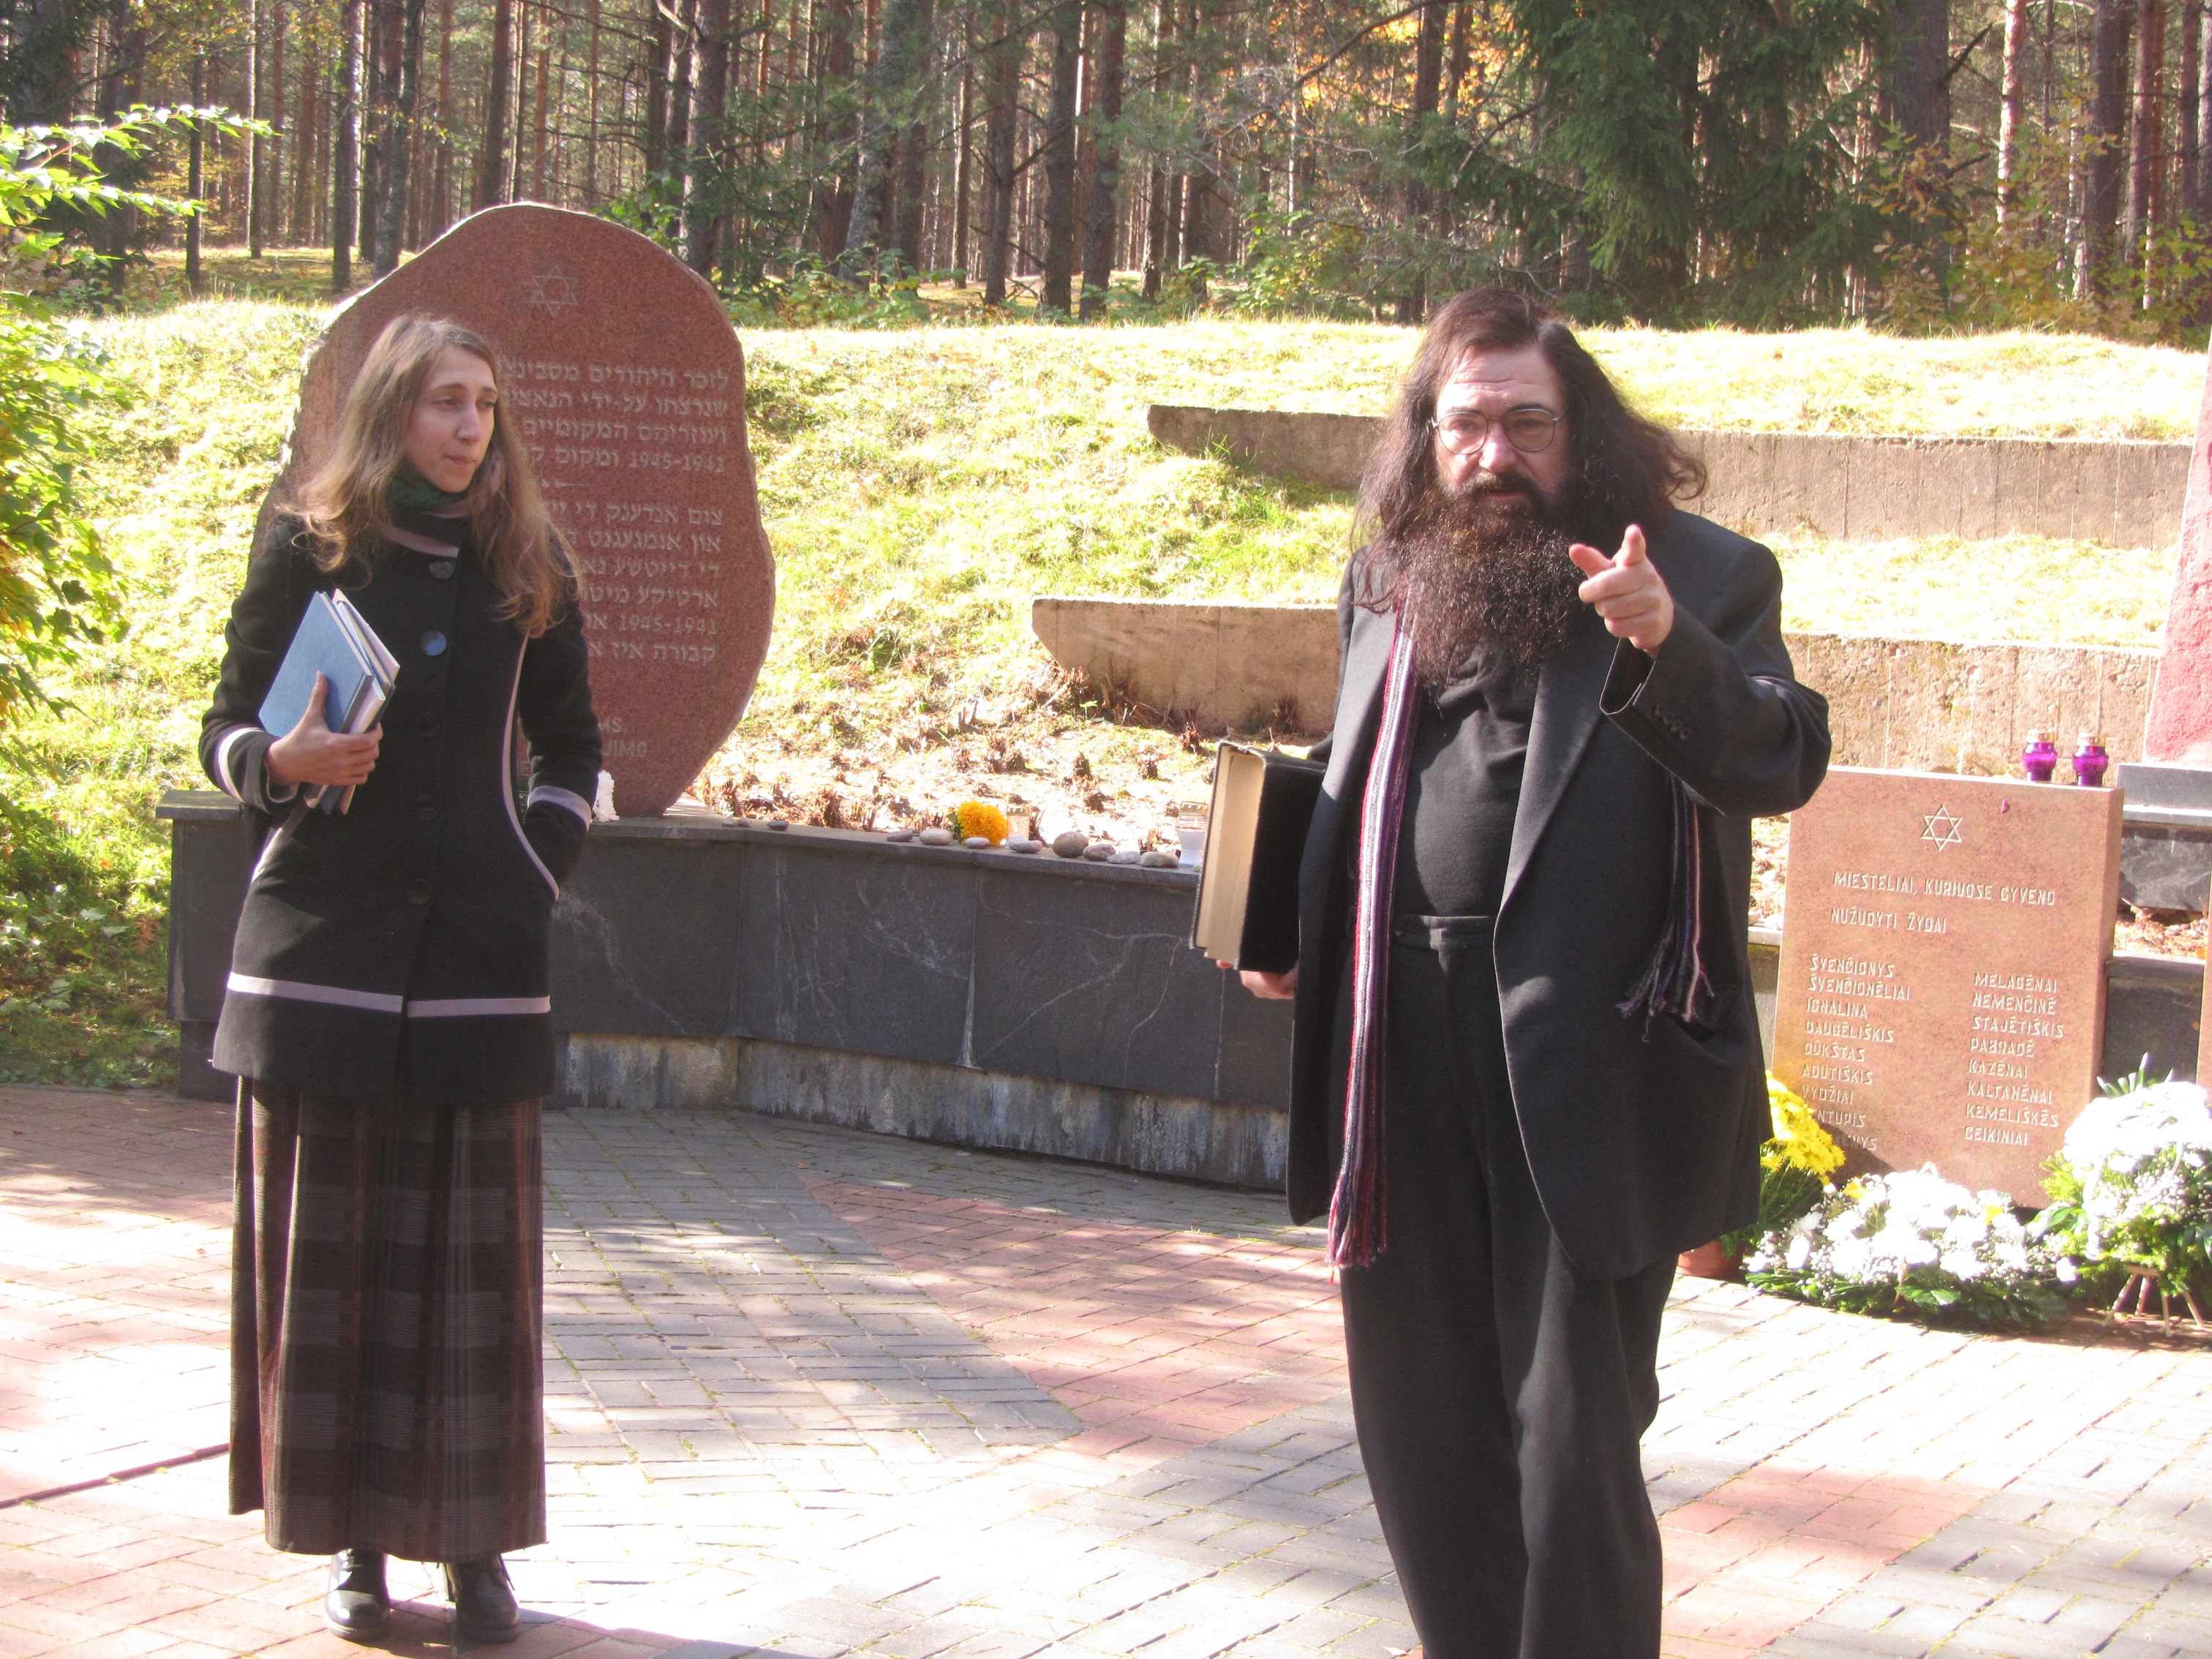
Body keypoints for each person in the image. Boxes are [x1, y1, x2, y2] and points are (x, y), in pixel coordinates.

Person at [1230, 289, 1829, 1658]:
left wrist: (1662, 643)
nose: (1494, 454)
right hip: (1400, 1061)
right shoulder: (1392, 573)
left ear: (1583, 433)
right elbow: (1357, 779)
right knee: (1421, 1430)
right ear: (1424, 439)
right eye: (1466, 425)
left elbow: (1782, 758)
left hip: (1589, 1076)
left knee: (1570, 1451)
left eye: (1526, 423)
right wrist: (1295, 933)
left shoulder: (1707, 575)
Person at [201, 312, 601, 1647]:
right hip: (323, 961)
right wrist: (282, 768)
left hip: (483, 970)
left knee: (468, 1286)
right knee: (349, 1274)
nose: (470, 425)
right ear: (392, 412)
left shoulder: (528, 566)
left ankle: (476, 1554)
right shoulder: (313, 550)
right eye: (444, 401)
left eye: (486, 402)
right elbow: (224, 730)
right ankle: (360, 1547)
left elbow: (577, 750)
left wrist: (534, 867)